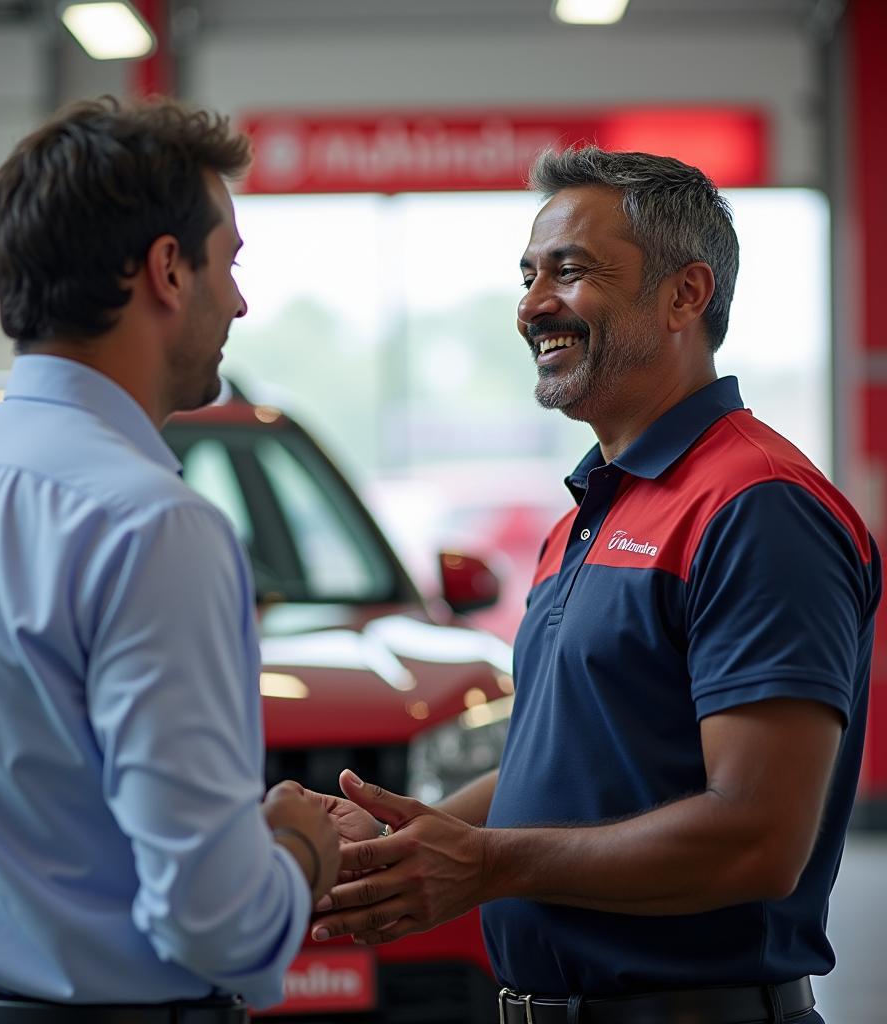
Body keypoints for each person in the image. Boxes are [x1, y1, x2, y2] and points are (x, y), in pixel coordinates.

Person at [308, 147, 881, 1024]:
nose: (533, 305)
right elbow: (563, 763)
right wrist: (408, 838)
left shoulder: (757, 506)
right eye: (530, 275)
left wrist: (494, 865)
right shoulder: (590, 510)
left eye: (570, 273)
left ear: (685, 294)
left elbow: (759, 838)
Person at [0, 97, 340, 1024]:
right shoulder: (152, 525)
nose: (239, 300)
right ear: (168, 269)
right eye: (228, 263)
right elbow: (217, 921)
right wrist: (297, 846)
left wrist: (4, 906)